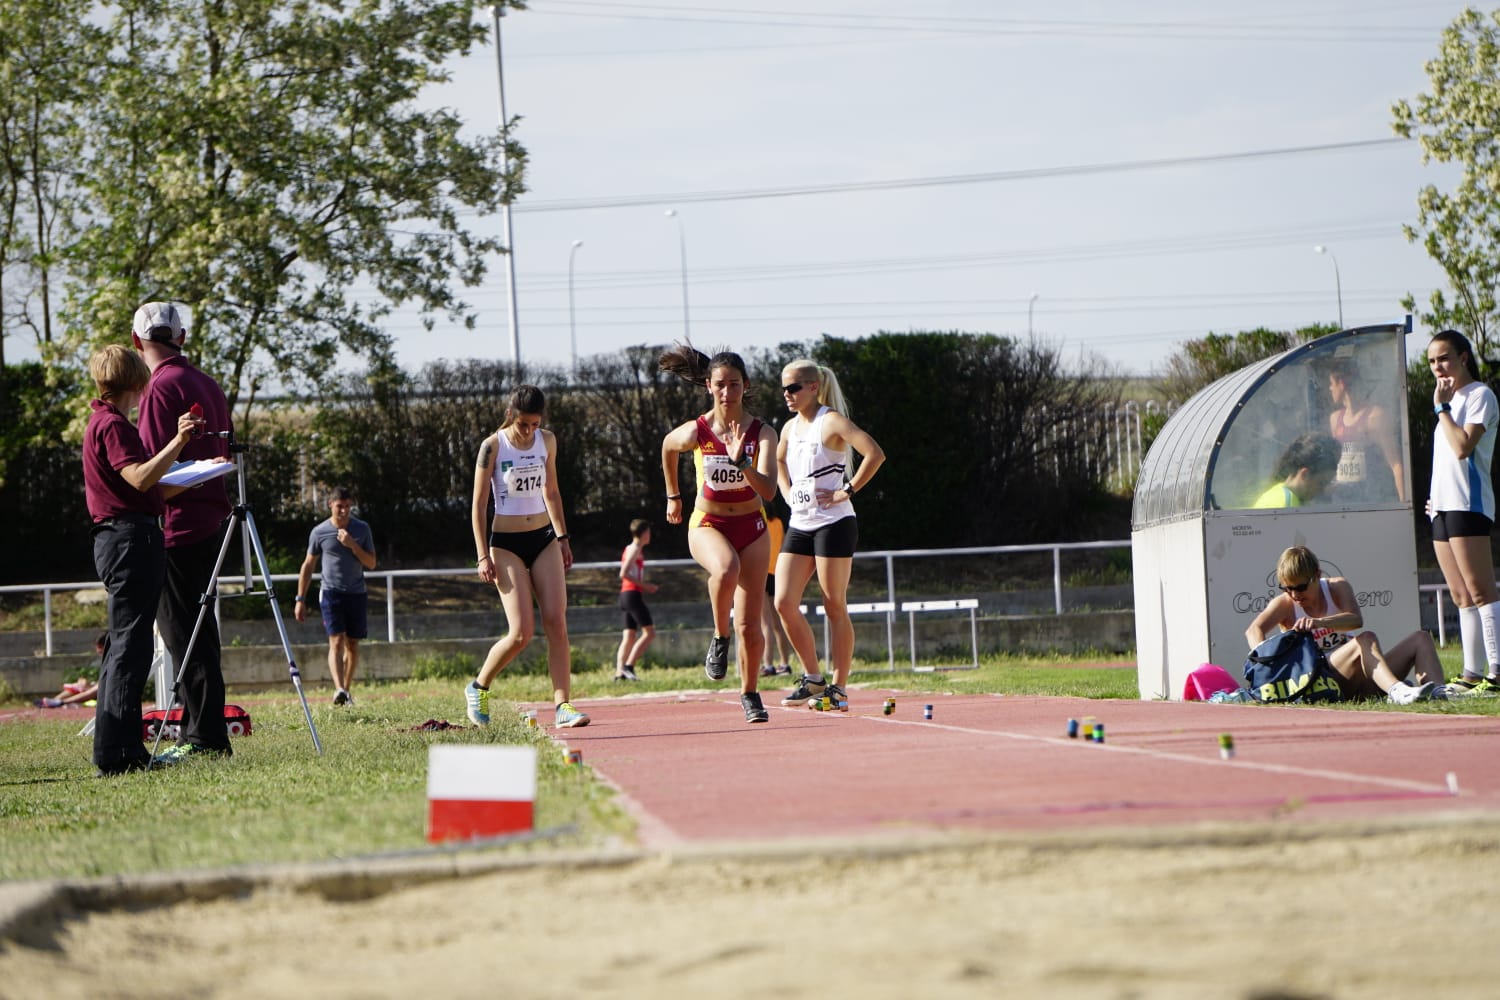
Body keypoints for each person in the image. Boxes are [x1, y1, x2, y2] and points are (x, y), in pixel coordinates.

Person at [81, 344, 203, 774]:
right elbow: (138, 477)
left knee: (123, 648)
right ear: (137, 382)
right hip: (130, 541)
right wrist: (179, 440)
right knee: (129, 652)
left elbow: (142, 487)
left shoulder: (101, 421)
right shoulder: (113, 425)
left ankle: (121, 750)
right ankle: (119, 755)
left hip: (121, 537)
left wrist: (198, 476)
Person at [133, 302, 234, 766]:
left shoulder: (159, 387)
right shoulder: (207, 383)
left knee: (183, 636)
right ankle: (206, 731)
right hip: (213, 518)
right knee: (201, 633)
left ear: (137, 342)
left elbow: (156, 470)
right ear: (183, 337)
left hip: (177, 524)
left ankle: (204, 735)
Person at [659, 344, 779, 724]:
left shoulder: (762, 433)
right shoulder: (699, 430)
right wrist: (673, 496)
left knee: (752, 623)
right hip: (707, 524)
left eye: (735, 385)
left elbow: (769, 491)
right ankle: (719, 636)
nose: (728, 393)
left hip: (753, 528)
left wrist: (741, 461)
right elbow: (667, 446)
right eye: (720, 385)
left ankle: (750, 693)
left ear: (746, 386)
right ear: (709, 386)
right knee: (725, 569)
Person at [464, 385, 589, 729]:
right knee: (521, 632)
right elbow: (477, 505)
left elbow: (551, 490)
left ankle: (563, 704)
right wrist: (481, 555)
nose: (530, 431)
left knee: (556, 622)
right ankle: (478, 686)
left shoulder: (546, 441)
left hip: (544, 539)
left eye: (535, 424)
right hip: (505, 545)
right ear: (511, 415)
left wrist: (562, 536)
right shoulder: (492, 446)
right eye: (524, 424)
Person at [772, 359, 886, 708]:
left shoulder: (831, 420)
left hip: (834, 522)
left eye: (793, 388)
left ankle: (839, 687)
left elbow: (874, 454)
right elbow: (778, 461)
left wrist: (846, 490)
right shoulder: (790, 428)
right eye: (783, 389)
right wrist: (787, 492)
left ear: (813, 387)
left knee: (833, 603)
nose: (787, 395)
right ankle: (813, 679)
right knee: (783, 602)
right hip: (801, 523)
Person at [1245, 546, 1445, 704]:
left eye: (1301, 587)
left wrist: (1318, 623)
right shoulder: (1285, 604)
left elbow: (1355, 620)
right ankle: (1397, 691)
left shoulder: (1337, 586)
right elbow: (1253, 631)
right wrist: (1271, 664)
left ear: (1317, 575)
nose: (1295, 595)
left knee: (1421, 638)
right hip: (1320, 680)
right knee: (1365, 640)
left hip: (1356, 677)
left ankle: (1439, 692)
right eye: (1288, 588)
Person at [1425, 329, 1500, 696]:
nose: (1438, 367)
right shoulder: (1446, 400)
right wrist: (1433, 498)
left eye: (1444, 358)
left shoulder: (1480, 396)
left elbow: (1462, 449)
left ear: (1463, 357)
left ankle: (1496, 674)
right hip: (1441, 507)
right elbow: (1442, 463)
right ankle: (1471, 673)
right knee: (1460, 596)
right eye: (1432, 361)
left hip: (1469, 505)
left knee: (1481, 591)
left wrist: (1442, 409)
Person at [295, 486, 377, 706]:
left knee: (352, 644)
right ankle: (339, 688)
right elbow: (308, 565)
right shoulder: (319, 532)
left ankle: (346, 691)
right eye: (340, 506)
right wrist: (300, 599)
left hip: (357, 593)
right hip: (331, 592)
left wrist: (352, 545)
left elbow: (371, 563)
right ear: (330, 505)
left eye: (348, 506)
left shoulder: (361, 529)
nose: (344, 511)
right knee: (336, 640)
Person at [1325, 360, 1404, 503]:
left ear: (1341, 384)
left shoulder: (1374, 416)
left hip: (1369, 496)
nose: (1330, 388)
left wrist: (1404, 504)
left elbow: (1395, 463)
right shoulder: (1335, 419)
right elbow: (1334, 461)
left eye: (1331, 383)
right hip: (1341, 497)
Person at [615, 518, 658, 681]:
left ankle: (619, 674)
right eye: (648, 532)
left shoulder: (631, 548)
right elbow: (623, 573)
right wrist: (646, 586)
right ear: (643, 533)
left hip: (626, 595)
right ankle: (628, 666)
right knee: (650, 632)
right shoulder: (635, 549)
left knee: (629, 635)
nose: (650, 535)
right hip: (631, 594)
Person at [1250, 432, 1340, 508]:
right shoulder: (1284, 504)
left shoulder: (1282, 493)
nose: (1322, 491)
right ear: (1304, 474)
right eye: (1321, 483)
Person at [758, 506, 794, 677]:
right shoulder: (778, 522)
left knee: (766, 623)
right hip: (776, 572)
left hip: (762, 572)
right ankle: (785, 664)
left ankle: (768, 664)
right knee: (778, 622)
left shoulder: (760, 522)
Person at [35, 638, 105, 709]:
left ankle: (60, 702)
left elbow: (102, 685)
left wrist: (88, 686)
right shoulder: (101, 661)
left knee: (94, 688)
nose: (97, 651)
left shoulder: (111, 660)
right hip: (98, 688)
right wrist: (86, 683)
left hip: (103, 691)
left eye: (99, 647)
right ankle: (54, 701)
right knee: (78, 686)